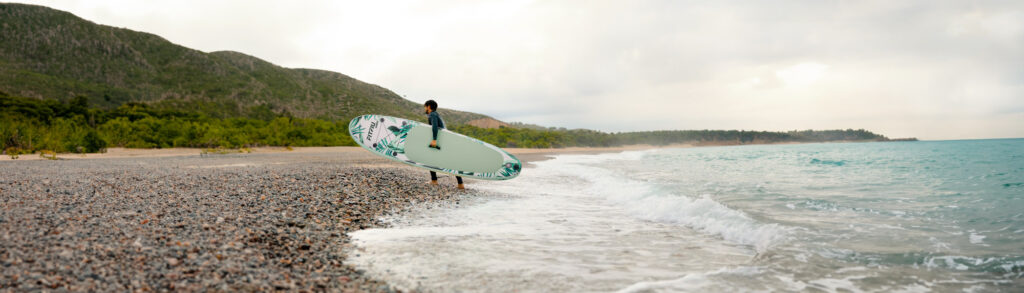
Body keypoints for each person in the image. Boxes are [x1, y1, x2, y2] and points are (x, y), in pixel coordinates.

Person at [424, 99, 465, 190]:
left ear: (429, 106)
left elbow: (435, 127)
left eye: (425, 106)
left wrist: (434, 140)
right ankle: (460, 184)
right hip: (444, 140)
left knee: (433, 159)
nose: (425, 108)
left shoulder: (433, 114)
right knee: (441, 160)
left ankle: (435, 181)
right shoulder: (436, 115)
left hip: (440, 141)